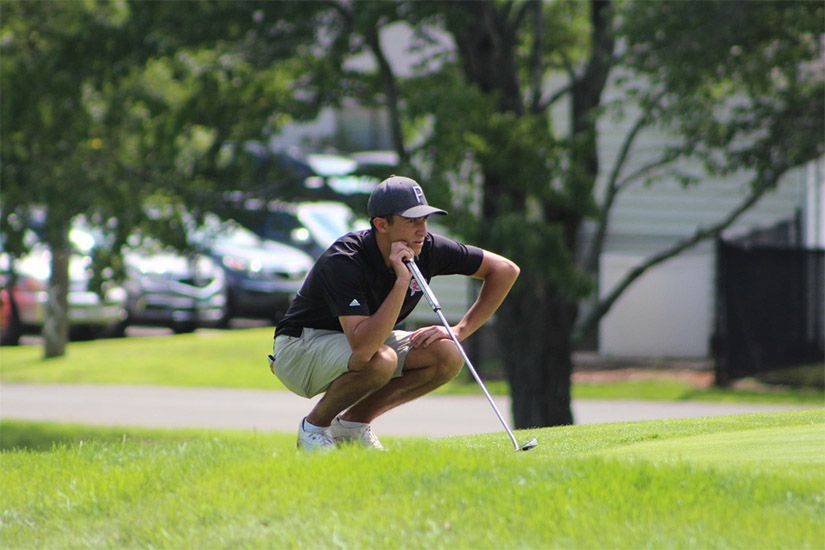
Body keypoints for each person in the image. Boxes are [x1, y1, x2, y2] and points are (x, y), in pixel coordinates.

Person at [269, 175, 520, 451]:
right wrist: (401, 281)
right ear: (381, 224)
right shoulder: (345, 260)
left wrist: (460, 330)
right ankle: (313, 429)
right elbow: (364, 348)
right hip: (299, 348)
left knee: (447, 354)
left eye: (424, 220)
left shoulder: (428, 248)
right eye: (412, 221)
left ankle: (352, 426)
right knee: (380, 359)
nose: (421, 230)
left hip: (357, 343)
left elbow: (505, 270)